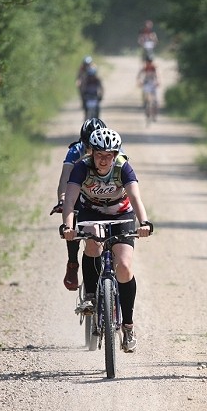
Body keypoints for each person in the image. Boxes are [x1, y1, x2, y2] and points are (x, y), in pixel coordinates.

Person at [61, 128, 153, 353]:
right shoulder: (82, 167)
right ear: (91, 153)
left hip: (122, 215)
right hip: (91, 212)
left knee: (124, 266)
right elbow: (71, 200)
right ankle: (91, 295)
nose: (103, 160)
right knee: (93, 241)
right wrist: (68, 226)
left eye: (108, 155)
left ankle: (128, 326)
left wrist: (144, 222)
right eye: (99, 154)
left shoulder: (123, 166)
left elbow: (135, 197)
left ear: (115, 154)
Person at [50, 117, 108, 290]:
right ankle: (73, 263)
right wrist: (62, 198)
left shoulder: (114, 148)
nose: (92, 152)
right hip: (80, 192)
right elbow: (65, 178)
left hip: (106, 193)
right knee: (72, 217)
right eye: (89, 147)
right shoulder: (76, 150)